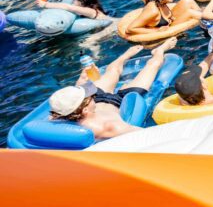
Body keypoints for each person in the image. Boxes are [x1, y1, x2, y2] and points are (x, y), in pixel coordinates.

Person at [47, 40, 177, 139]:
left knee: (113, 70)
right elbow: (152, 135)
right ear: (85, 109)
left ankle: (125, 56)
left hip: (97, 98)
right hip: (120, 100)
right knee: (152, 65)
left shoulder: (62, 114)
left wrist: (82, 80)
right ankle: (160, 50)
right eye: (86, 96)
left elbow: (54, 114)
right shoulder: (107, 126)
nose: (87, 92)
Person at [125, 0, 201, 36]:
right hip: (166, 28)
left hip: (170, 20)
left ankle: (206, 17)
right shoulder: (152, 10)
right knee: (190, 12)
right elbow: (130, 29)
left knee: (187, 0)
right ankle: (208, 21)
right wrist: (157, 31)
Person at [35, 0, 109, 20]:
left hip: (111, 28)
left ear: (82, 1)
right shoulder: (91, 8)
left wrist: (45, 4)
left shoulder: (90, 11)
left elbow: (68, 7)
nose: (73, 0)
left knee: (86, 43)